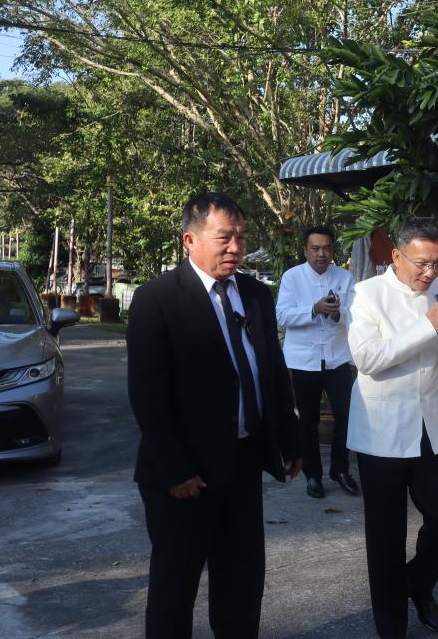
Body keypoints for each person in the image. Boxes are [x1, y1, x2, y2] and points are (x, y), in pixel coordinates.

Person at [127, 192, 302, 638]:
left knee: (241, 583)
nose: (236, 248)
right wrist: (175, 469)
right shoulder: (157, 299)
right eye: (225, 238)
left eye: (241, 237)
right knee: (175, 588)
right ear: (190, 239)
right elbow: (148, 395)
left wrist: (289, 438)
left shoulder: (256, 294)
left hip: (242, 464)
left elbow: (272, 371)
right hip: (186, 477)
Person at [346, 218, 438, 639]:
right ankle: (391, 626)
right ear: (397, 256)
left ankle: (417, 583)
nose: (430, 272)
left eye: (437, 263)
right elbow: (368, 358)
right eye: (422, 263)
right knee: (385, 537)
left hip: (433, 428)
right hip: (382, 432)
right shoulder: (367, 293)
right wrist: (428, 328)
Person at [276, 225, 359, 498]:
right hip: (303, 360)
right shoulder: (292, 277)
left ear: (332, 250)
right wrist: (314, 308)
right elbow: (282, 316)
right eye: (315, 248)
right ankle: (312, 475)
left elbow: (355, 315)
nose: (321, 254)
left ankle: (340, 470)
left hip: (338, 357)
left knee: (346, 415)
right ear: (305, 250)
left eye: (326, 248)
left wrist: (337, 314)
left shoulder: (345, 277)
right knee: (307, 421)